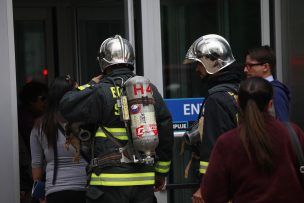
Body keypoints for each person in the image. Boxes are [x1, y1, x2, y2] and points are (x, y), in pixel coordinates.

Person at [59, 35, 174, 203]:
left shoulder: (100, 91)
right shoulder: (148, 90)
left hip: (108, 184)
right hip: (143, 183)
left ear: (103, 63)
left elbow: (66, 105)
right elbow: (165, 130)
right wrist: (161, 173)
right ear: (131, 60)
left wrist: (90, 83)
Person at [202, 76, 304, 202]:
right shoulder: (293, 133)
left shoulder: (227, 142)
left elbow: (212, 193)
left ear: (238, 102)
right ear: (270, 104)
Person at [183, 34, 242, 203]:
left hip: (222, 187)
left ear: (212, 63)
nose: (197, 70)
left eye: (199, 64)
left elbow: (214, 147)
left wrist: (205, 188)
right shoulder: (238, 92)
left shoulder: (217, 100)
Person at [30, 75, 88, 203]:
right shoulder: (86, 121)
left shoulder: (40, 126)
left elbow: (37, 165)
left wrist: (39, 192)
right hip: (86, 189)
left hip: (55, 191)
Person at [18, 81, 48, 203]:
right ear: (31, 100)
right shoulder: (29, 123)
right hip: (28, 178)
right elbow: (36, 162)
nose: (46, 102)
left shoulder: (35, 119)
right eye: (43, 98)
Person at [244, 45, 290, 121]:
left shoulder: (276, 92)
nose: (245, 70)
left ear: (265, 67)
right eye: (246, 65)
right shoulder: (256, 89)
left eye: (250, 66)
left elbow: (282, 127)